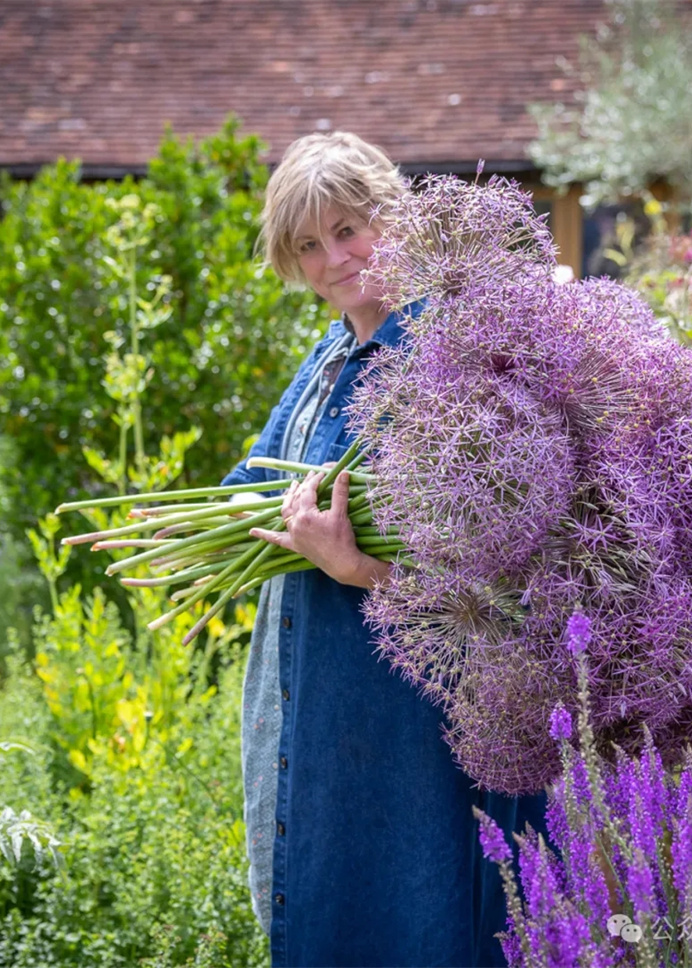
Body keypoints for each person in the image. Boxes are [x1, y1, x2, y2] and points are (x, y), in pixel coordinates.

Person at [221, 131, 544, 968]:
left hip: (414, 724)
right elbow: (246, 487)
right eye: (307, 243)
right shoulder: (331, 358)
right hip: (329, 721)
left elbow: (506, 576)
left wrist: (356, 567)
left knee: (420, 921)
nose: (335, 257)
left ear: (393, 216)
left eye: (349, 228)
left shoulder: (453, 362)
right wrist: (202, 522)